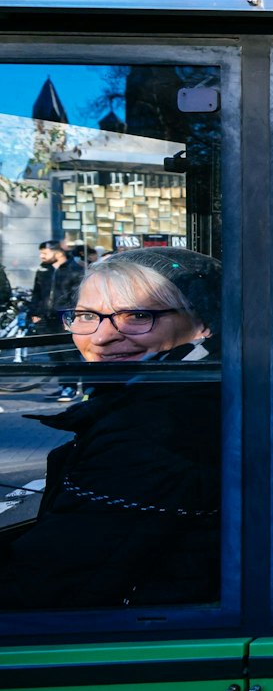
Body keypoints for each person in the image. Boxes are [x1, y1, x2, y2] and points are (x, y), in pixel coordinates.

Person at [0, 248, 222, 608]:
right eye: (87, 315)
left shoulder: (160, 433)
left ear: (203, 326)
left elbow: (56, 579)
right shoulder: (169, 400)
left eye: (136, 315)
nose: (101, 337)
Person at [27, 239, 83, 333]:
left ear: (59, 253)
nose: (41, 256)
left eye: (45, 253)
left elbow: (77, 297)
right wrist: (34, 313)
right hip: (43, 319)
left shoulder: (75, 270)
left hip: (65, 319)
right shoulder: (42, 270)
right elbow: (36, 294)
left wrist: (71, 317)